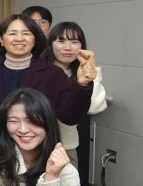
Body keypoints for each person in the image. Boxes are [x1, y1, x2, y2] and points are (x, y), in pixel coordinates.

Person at [0, 14, 95, 133]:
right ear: (1, 40)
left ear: (35, 40)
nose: (19, 38)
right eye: (12, 33)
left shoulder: (54, 74)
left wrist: (83, 85)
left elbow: (70, 117)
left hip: (38, 143)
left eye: (26, 33)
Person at [43, 22, 107, 168]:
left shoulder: (83, 72)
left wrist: (91, 75)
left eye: (74, 42)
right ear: (51, 44)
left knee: (68, 182)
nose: (68, 47)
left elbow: (94, 108)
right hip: (34, 144)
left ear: (82, 46)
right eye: (61, 41)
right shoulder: (39, 70)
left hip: (66, 146)